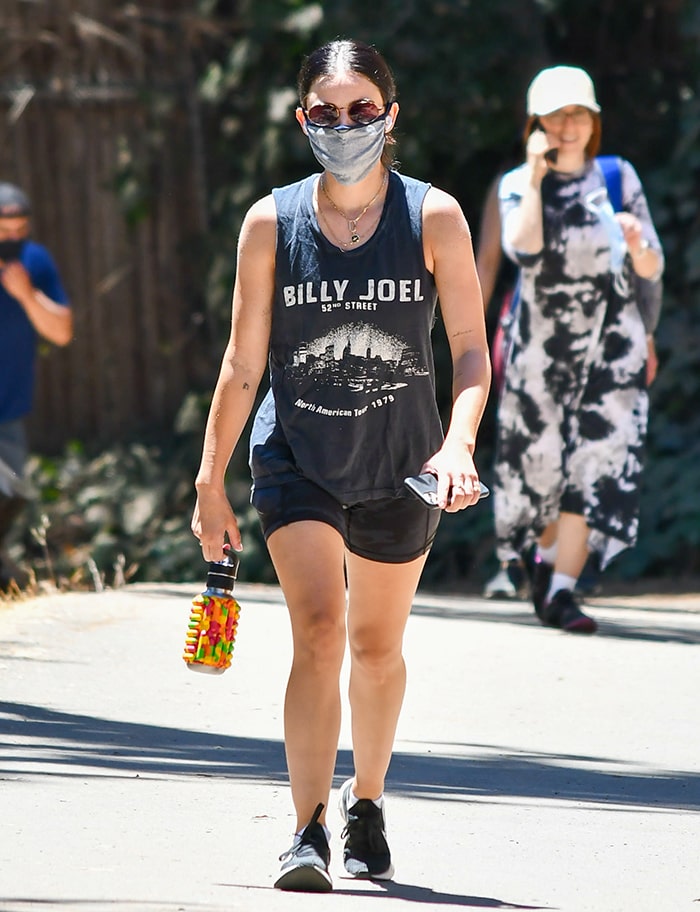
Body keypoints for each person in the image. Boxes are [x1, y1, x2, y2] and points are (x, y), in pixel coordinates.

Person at [191, 39, 490, 892]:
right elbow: (243, 362)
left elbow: (469, 351)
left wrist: (458, 440)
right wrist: (211, 480)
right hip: (299, 459)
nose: (346, 124)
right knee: (319, 632)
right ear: (302, 121)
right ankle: (307, 829)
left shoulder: (433, 217)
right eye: (327, 112)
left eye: (363, 109)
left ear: (391, 116)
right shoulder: (270, 222)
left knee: (376, 647)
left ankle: (368, 800)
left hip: (404, 462)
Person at [492, 65, 663, 633]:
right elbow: (525, 251)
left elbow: (652, 268)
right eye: (557, 115)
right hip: (541, 355)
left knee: (595, 465)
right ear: (535, 124)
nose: (569, 125)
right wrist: (539, 179)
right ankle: (540, 563)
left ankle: (563, 591)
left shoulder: (618, 178)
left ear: (594, 122)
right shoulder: (517, 183)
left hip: (614, 351)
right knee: (540, 471)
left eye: (579, 114)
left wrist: (639, 251)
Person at [0, 182, 73, 590]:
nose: (12, 239)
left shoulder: (34, 261)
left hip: (8, 410)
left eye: (19, 230)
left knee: (11, 494)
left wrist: (25, 294)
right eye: (3, 231)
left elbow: (62, 331)